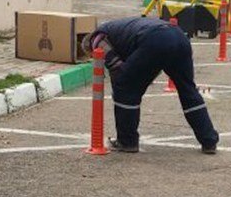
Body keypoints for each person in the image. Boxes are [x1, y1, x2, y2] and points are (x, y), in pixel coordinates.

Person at [84, 16, 219, 154]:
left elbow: (117, 68)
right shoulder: (118, 29)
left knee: (124, 88)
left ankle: (127, 141)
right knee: (188, 90)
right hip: (178, 36)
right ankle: (209, 140)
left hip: (155, 40)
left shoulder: (96, 39)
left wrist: (126, 85)